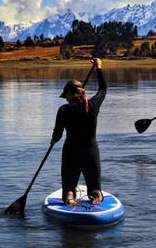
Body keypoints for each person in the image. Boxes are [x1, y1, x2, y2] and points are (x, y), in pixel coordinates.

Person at [51, 58, 106, 206]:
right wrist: (99, 68)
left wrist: (53, 140)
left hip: (71, 150)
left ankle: (69, 198)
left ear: (69, 94)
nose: (66, 98)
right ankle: (96, 197)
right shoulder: (93, 105)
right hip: (90, 150)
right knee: (95, 187)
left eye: (66, 95)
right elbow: (103, 89)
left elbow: (57, 134)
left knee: (69, 187)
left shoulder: (64, 110)